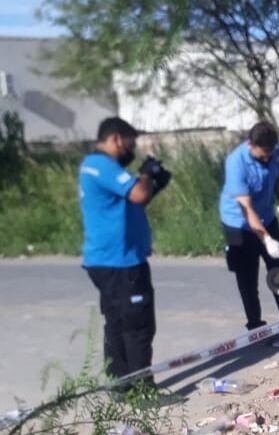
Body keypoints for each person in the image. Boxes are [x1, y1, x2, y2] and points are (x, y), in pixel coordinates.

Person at [78, 117, 171, 384]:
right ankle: (142, 389)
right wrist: (146, 174)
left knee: (118, 323)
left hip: (108, 260)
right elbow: (138, 194)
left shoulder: (93, 166)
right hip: (120, 262)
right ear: (115, 138)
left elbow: (134, 201)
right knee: (137, 325)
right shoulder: (102, 165)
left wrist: (155, 183)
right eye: (130, 144)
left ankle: (120, 384)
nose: (131, 150)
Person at [219, 122, 279, 331]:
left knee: (278, 270)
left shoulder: (274, 150)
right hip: (239, 223)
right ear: (250, 144)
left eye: (269, 154)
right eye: (262, 155)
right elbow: (246, 209)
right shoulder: (236, 162)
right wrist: (266, 239)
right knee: (247, 276)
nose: (266, 159)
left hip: (265, 215)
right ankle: (256, 327)